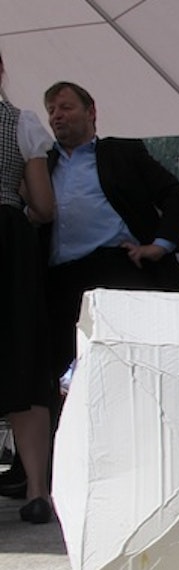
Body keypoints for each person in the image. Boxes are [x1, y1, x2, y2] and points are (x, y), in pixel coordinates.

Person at [44, 82, 179, 384]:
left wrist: (160, 244)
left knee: (144, 367)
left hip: (118, 266)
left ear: (91, 112)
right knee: (49, 373)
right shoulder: (42, 164)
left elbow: (177, 194)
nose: (56, 116)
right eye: (51, 110)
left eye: (66, 107)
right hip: (60, 281)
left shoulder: (122, 153)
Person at [0, 53, 57, 523]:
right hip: (8, 242)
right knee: (24, 355)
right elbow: (43, 205)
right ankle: (37, 489)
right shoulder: (21, 123)